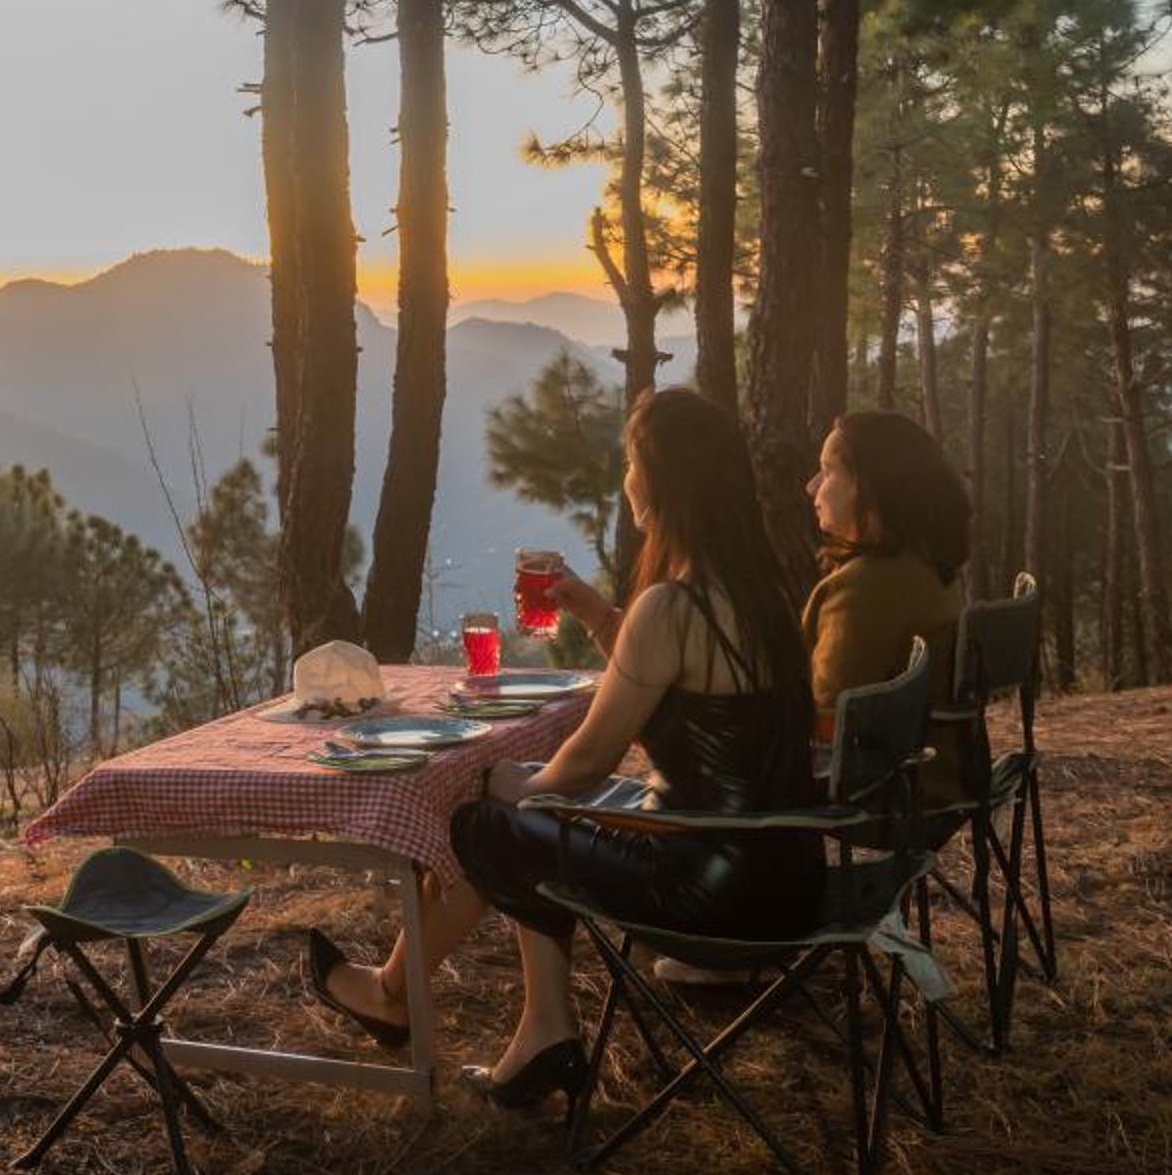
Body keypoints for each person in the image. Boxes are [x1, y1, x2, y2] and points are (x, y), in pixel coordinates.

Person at [303, 388, 821, 1108]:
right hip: (788, 883)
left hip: (707, 894)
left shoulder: (672, 606)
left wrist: (519, 794)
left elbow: (589, 761)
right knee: (518, 804)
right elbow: (671, 680)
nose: (626, 478)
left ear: (662, 483)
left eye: (632, 463)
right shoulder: (762, 597)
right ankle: (508, 1021)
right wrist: (593, 612)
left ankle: (428, 1002)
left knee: (483, 821)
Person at [803, 410, 972, 805]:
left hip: (886, 791)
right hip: (940, 776)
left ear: (869, 489)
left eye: (827, 472)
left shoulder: (863, 589)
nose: (811, 487)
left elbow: (829, 719)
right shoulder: (928, 567)